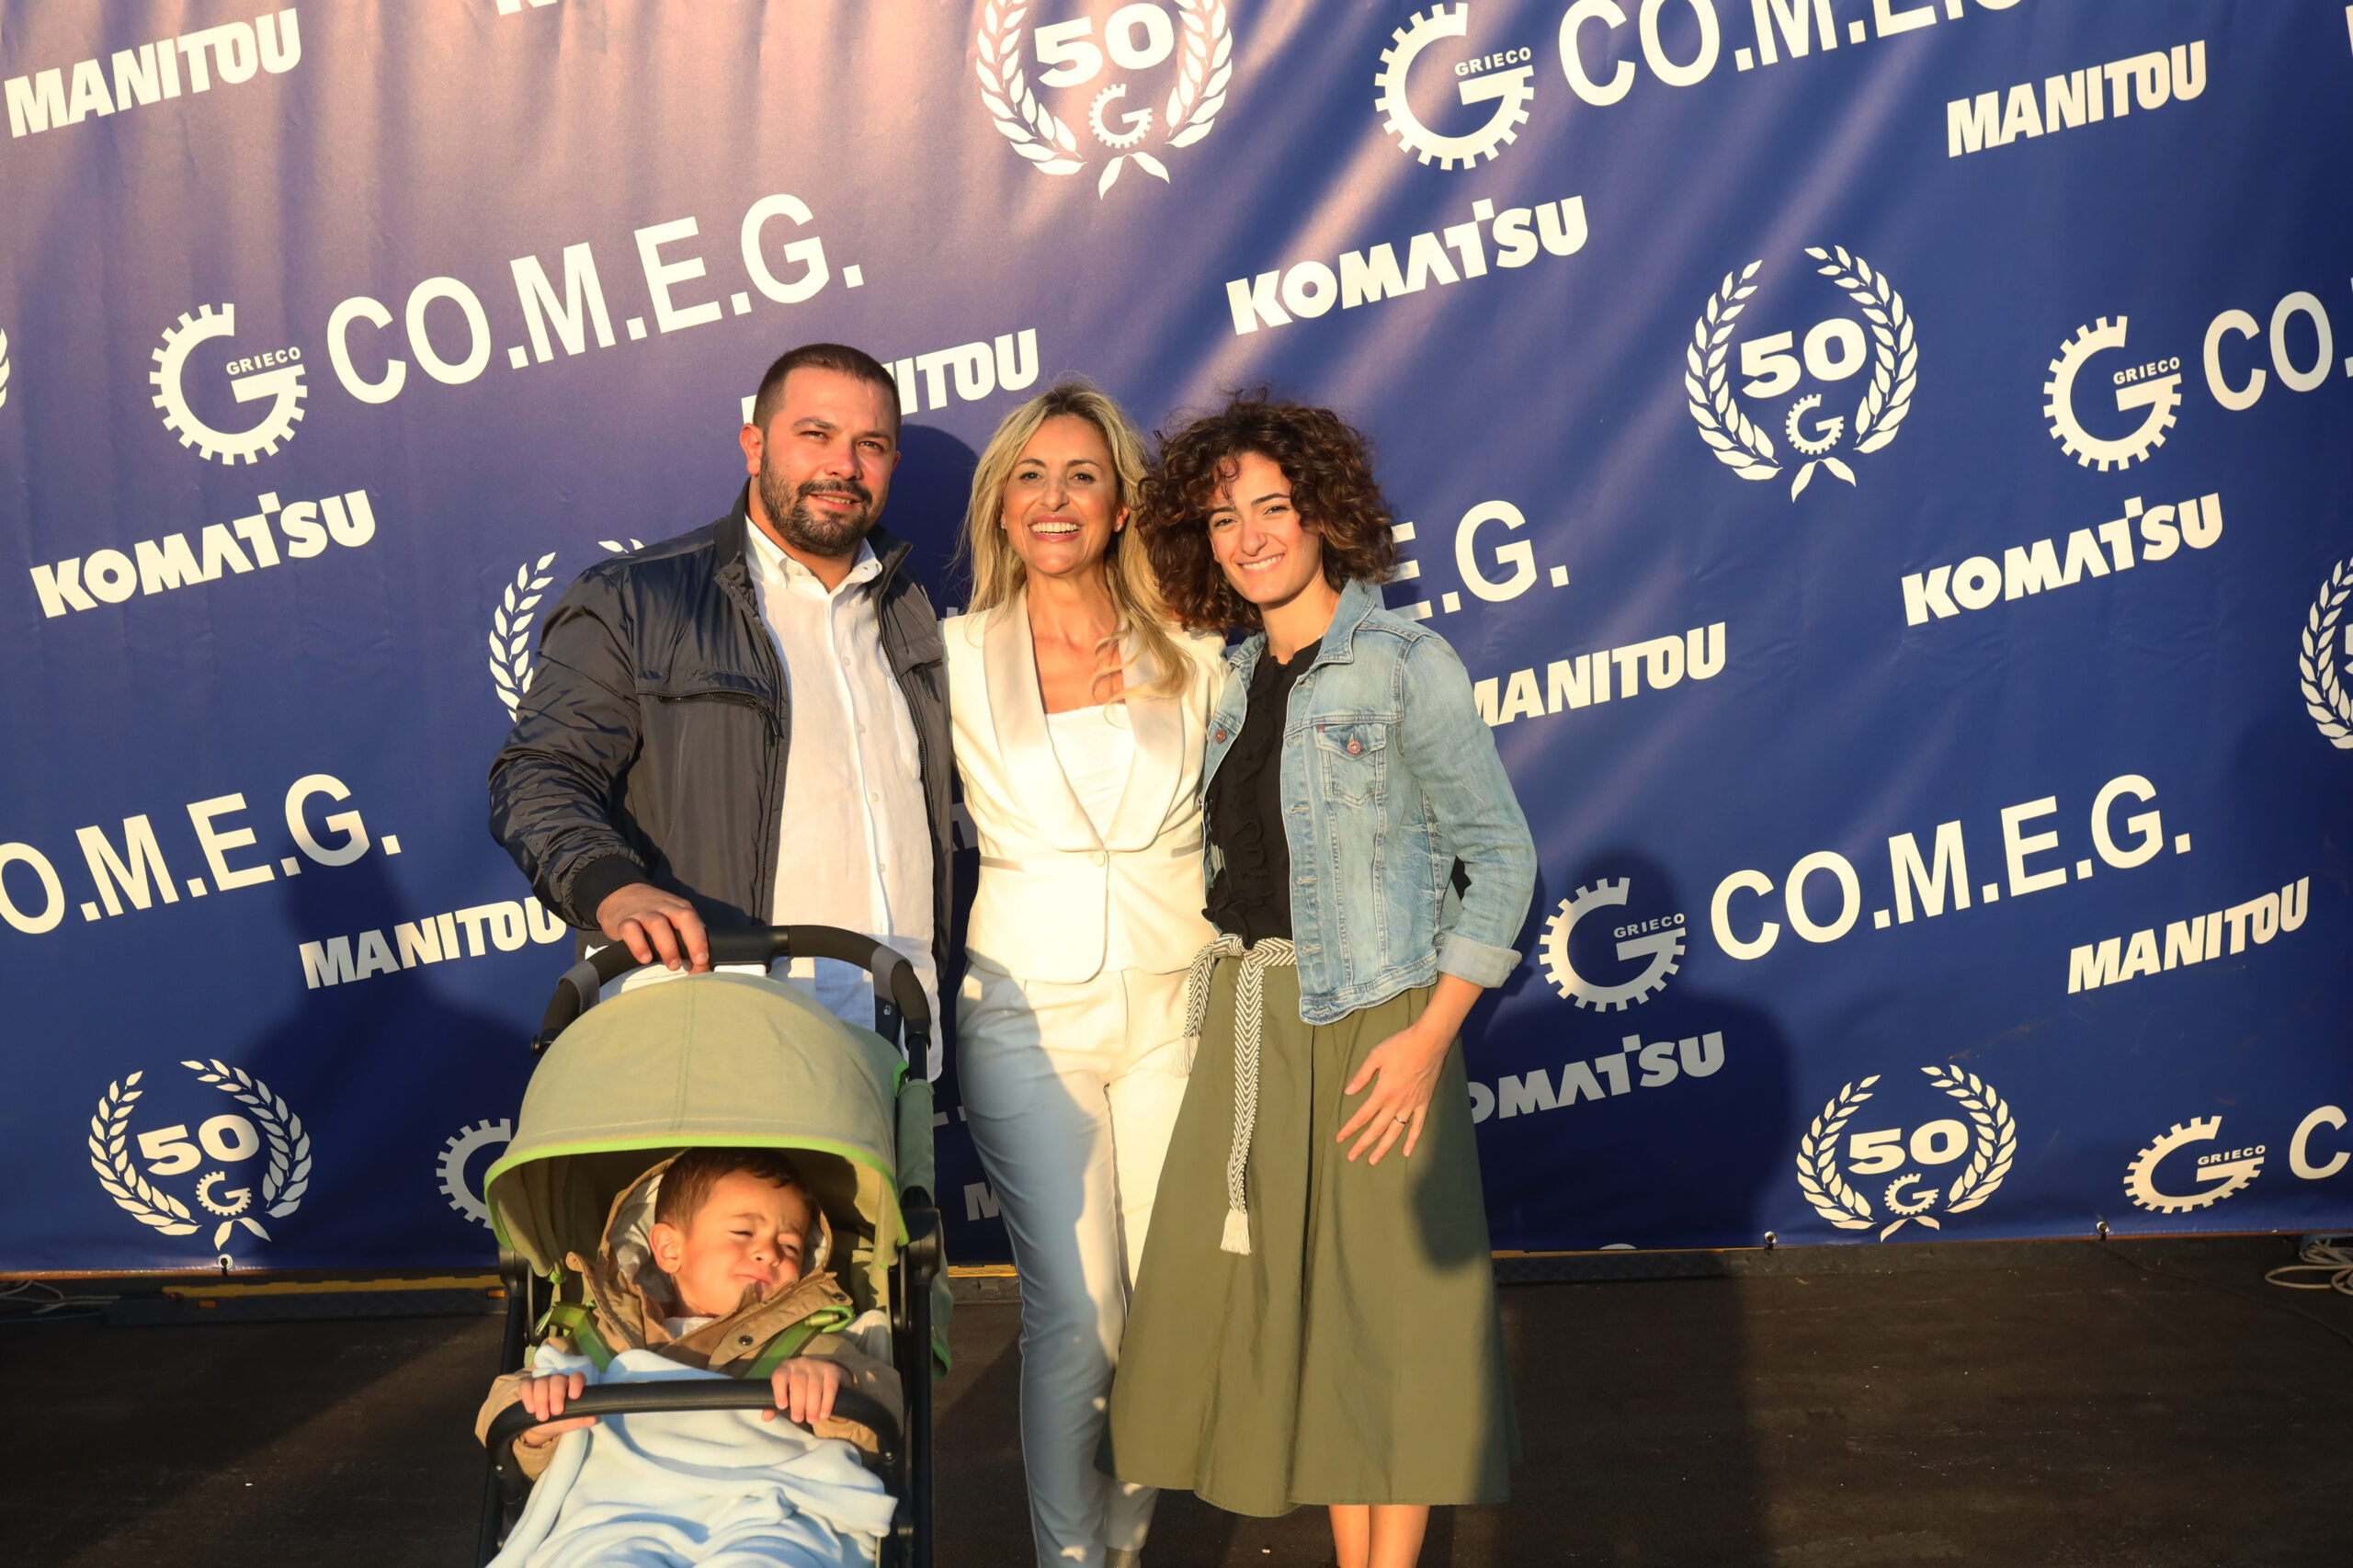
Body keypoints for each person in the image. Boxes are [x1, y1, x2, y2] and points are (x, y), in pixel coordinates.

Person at [1105, 393, 1535, 1568]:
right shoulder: (1238, 673)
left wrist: (1428, 1036)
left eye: (1273, 508)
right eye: (1223, 517)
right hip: (1257, 1026)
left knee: (1385, 1327)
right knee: (1308, 1333)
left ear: (1324, 514)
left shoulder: (1403, 663)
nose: (1249, 536)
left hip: (1374, 1025)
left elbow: (1501, 860)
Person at [944, 383, 1227, 1568]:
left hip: (1177, 1008)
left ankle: (1125, 1542)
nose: (1053, 498)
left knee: (1172, 1306)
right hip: (1026, 1015)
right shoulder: (951, 656)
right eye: (1030, 475)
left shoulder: (1199, 651)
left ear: (1120, 506)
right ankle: (1071, 1559)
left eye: (1081, 476)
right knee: (1078, 1314)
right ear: (1001, 506)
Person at [488, 343, 951, 1063]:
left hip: (889, 1036)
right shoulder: (636, 598)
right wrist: (612, 888)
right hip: (705, 1033)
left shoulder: (908, 608)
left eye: (870, 445)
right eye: (816, 434)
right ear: (754, 445)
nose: (843, 465)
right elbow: (537, 775)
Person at [476, 1149, 902, 1568]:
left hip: (763, 1508)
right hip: (621, 1514)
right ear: (669, 1249)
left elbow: (882, 1413)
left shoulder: (806, 1341)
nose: (770, 1253)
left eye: (789, 1246)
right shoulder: (601, 1337)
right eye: (743, 1233)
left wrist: (836, 1385)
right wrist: (538, 1417)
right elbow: (501, 1417)